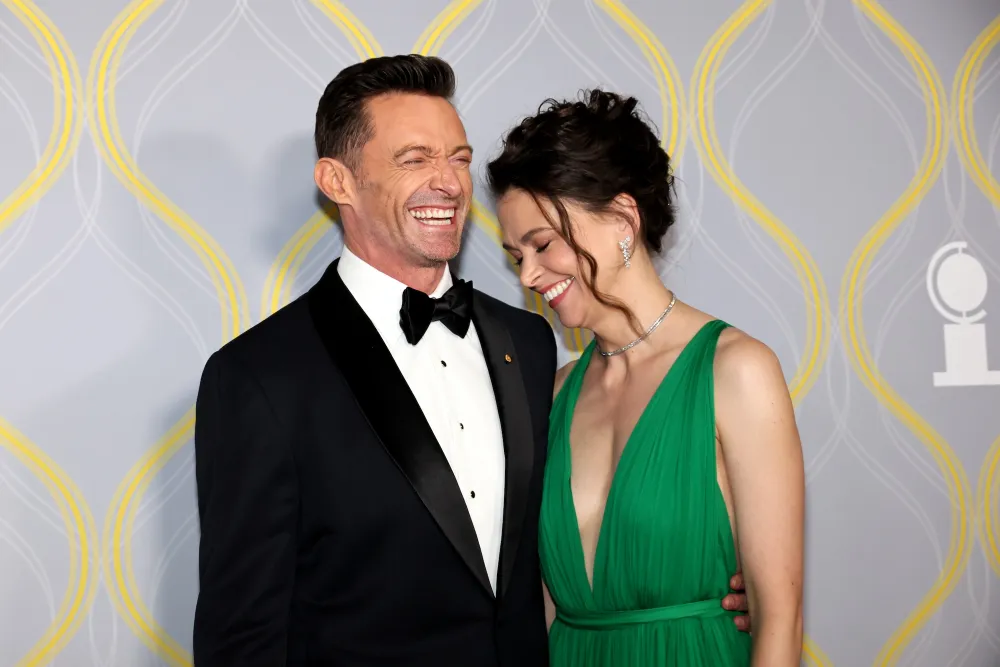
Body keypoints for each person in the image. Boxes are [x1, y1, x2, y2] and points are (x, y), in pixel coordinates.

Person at [191, 55, 750, 666]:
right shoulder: (259, 377)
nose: (451, 183)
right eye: (415, 159)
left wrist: (709, 582)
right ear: (337, 181)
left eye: (457, 158)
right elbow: (240, 637)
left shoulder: (531, 343)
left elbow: (574, 527)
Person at [487, 89, 804, 666]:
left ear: (622, 219)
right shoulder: (554, 395)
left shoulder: (736, 372)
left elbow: (779, 622)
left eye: (542, 245)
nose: (529, 274)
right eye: (516, 257)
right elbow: (544, 611)